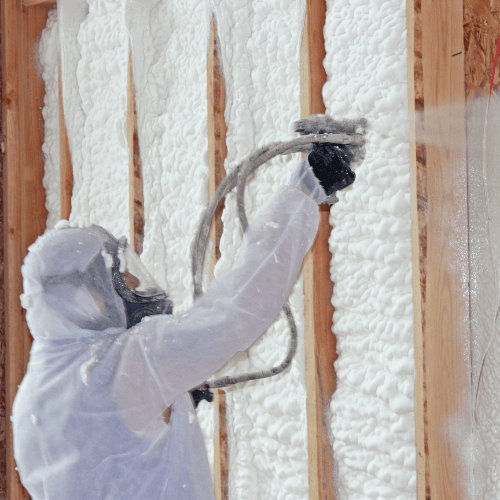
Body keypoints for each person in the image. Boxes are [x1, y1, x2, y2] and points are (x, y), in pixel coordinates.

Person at [11, 150, 355, 499]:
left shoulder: (29, 405)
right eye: (116, 283)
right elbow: (238, 309)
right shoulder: (124, 362)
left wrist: (158, 401)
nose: (131, 288)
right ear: (81, 300)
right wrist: (306, 188)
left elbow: (99, 459)